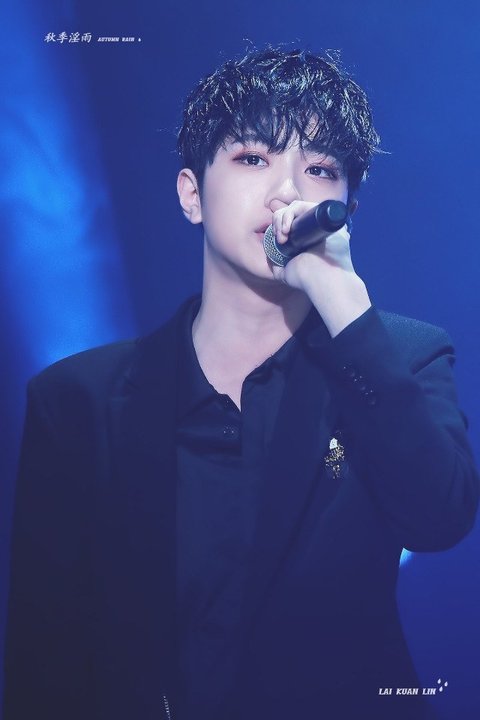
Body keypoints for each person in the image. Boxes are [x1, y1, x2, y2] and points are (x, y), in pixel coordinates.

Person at [3, 47, 479, 720]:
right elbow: (43, 655)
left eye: (320, 169)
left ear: (346, 207)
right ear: (191, 194)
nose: (287, 192)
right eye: (253, 159)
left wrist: (344, 304)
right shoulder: (76, 399)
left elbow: (438, 520)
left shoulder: (402, 356)